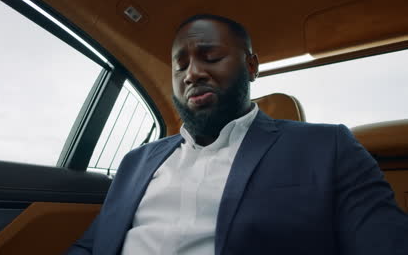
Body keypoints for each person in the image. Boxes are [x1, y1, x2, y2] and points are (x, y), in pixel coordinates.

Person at [66, 14, 408, 255]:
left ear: (251, 66)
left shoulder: (328, 146)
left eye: (211, 56)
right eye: (180, 65)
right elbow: (92, 245)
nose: (193, 73)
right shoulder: (136, 161)